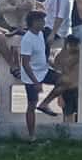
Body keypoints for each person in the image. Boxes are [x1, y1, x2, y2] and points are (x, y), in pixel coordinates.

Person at [19, 10, 61, 140]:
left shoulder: (41, 34)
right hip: (31, 76)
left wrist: (53, 65)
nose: (44, 23)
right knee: (31, 105)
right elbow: (25, 63)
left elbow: (42, 55)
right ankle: (32, 136)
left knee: (63, 80)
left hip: (44, 70)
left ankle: (45, 104)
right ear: (34, 23)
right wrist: (36, 82)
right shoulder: (27, 39)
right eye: (41, 21)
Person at [37, 35, 80, 123]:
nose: (74, 47)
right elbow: (58, 78)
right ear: (66, 44)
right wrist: (60, 97)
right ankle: (68, 133)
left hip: (79, 89)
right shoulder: (60, 57)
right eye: (71, 45)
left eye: (75, 45)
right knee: (68, 115)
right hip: (67, 90)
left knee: (81, 114)